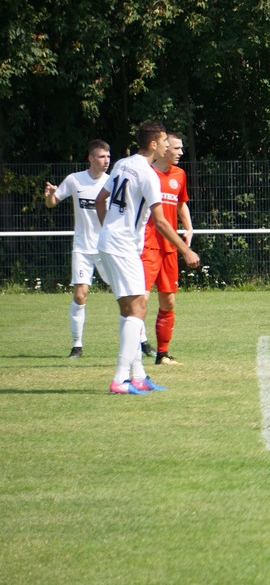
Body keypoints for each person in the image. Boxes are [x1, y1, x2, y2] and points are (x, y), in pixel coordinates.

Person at [96, 122, 200, 395]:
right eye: (164, 141)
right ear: (154, 144)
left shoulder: (122, 164)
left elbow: (100, 200)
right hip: (124, 247)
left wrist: (109, 230)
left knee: (129, 311)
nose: (167, 145)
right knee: (139, 308)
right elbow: (162, 222)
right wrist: (186, 250)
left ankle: (139, 375)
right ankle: (120, 379)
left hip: (108, 243)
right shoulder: (148, 175)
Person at [43, 140, 112, 357]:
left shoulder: (112, 182)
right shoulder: (74, 180)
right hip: (82, 248)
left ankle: (142, 341)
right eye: (101, 156)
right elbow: (52, 202)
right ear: (91, 158)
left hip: (106, 248)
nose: (106, 160)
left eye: (108, 156)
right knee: (80, 296)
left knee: (125, 292)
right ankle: (77, 346)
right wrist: (50, 196)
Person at [141, 132, 193, 365]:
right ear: (163, 147)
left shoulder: (179, 175)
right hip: (147, 245)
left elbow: (181, 204)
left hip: (169, 247)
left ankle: (162, 355)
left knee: (168, 301)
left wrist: (189, 228)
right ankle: (134, 351)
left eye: (181, 148)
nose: (181, 152)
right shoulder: (146, 173)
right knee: (140, 300)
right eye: (176, 148)